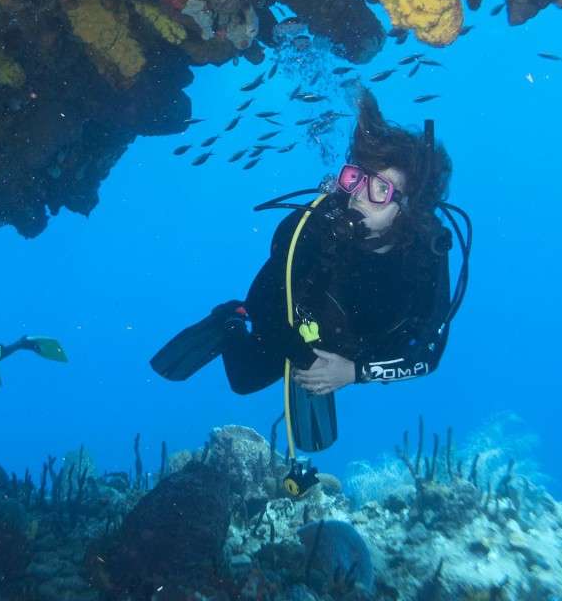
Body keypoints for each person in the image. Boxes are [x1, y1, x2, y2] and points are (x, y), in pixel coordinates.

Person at [151, 89, 470, 492]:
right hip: (296, 317)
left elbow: (426, 358)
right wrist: (299, 342)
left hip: (362, 346)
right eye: (357, 179)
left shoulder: (426, 258)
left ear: (411, 209)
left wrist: (353, 373)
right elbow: (268, 294)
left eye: (380, 191)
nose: (357, 196)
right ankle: (229, 322)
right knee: (244, 381)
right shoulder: (315, 227)